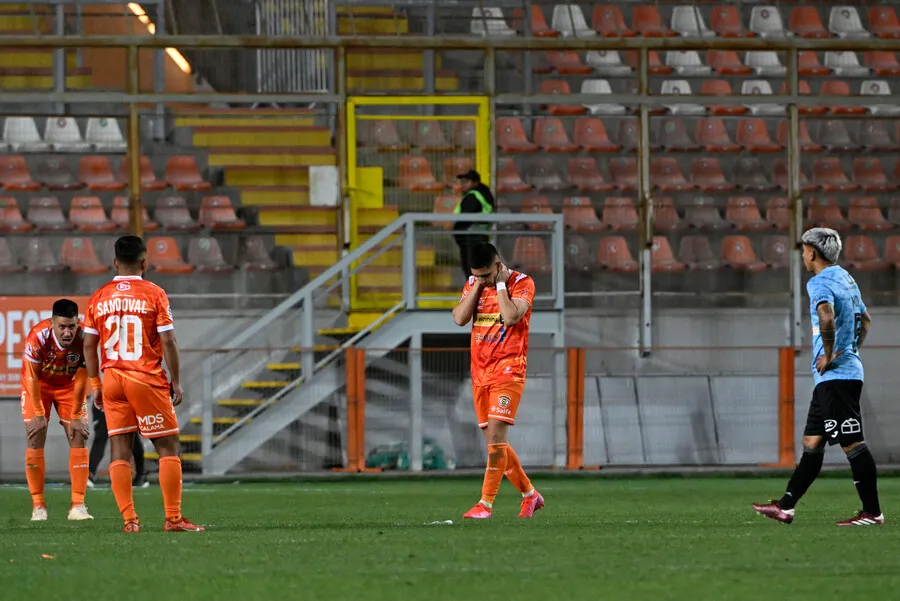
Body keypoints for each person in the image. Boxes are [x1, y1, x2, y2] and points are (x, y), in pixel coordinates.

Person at [753, 227, 883, 527]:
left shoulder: (818, 282)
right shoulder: (846, 279)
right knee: (812, 442)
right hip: (835, 377)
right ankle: (786, 507)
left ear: (812, 252)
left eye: (803, 250)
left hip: (837, 378)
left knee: (853, 443)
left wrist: (829, 353)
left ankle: (872, 513)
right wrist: (850, 349)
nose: (802, 255)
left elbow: (826, 315)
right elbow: (865, 319)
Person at [83, 235, 203, 533]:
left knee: (119, 448)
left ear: (115, 263)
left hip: (112, 380)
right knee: (167, 446)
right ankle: (173, 518)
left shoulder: (99, 296)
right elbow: (169, 340)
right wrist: (176, 381)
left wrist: (96, 384)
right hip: (145, 378)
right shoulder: (154, 293)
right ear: (144, 263)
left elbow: (88, 344)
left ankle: (129, 521)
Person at [452, 241, 544, 519]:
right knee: (496, 442)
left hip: (509, 370)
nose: (482, 280)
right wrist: (478, 285)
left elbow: (510, 316)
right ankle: (530, 495)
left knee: (495, 439)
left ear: (498, 264)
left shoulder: (522, 283)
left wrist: (500, 285)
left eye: (486, 275)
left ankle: (485, 504)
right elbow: (459, 318)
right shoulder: (474, 283)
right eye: (476, 275)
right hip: (480, 372)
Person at [21, 298, 93, 521]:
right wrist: (40, 415)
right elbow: (31, 376)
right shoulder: (38, 336)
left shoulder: (84, 338)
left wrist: (75, 417)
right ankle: (38, 506)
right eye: (62, 326)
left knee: (78, 434)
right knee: (35, 435)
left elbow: (82, 379)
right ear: (52, 323)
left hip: (69, 386)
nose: (67, 332)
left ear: (77, 323)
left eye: (71, 326)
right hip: (38, 386)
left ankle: (78, 506)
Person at [88, 400, 149, 489]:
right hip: (104, 402)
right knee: (100, 436)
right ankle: (89, 473)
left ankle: (141, 474)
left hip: (123, 402)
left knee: (131, 437)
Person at [453, 169, 495, 278]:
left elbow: (466, 218)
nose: (463, 185)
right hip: (478, 236)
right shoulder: (484, 193)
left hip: (471, 239)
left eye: (466, 182)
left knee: (472, 272)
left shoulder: (473, 196)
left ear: (475, 182)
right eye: (462, 182)